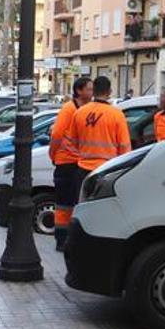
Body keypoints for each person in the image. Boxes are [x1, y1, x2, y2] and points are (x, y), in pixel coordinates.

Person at [65, 76, 131, 234]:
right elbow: (125, 148)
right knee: (105, 212)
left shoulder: (80, 112)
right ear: (109, 92)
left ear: (93, 91)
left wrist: (82, 155)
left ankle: (79, 241)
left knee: (81, 209)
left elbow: (70, 143)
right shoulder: (116, 115)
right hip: (106, 172)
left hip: (83, 170)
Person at [48, 76, 92, 251]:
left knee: (76, 204)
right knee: (63, 205)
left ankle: (73, 239)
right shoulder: (69, 109)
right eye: (88, 89)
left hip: (82, 163)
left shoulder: (89, 109)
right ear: (79, 90)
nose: (91, 92)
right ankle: (61, 239)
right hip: (66, 162)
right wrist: (54, 154)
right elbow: (57, 134)